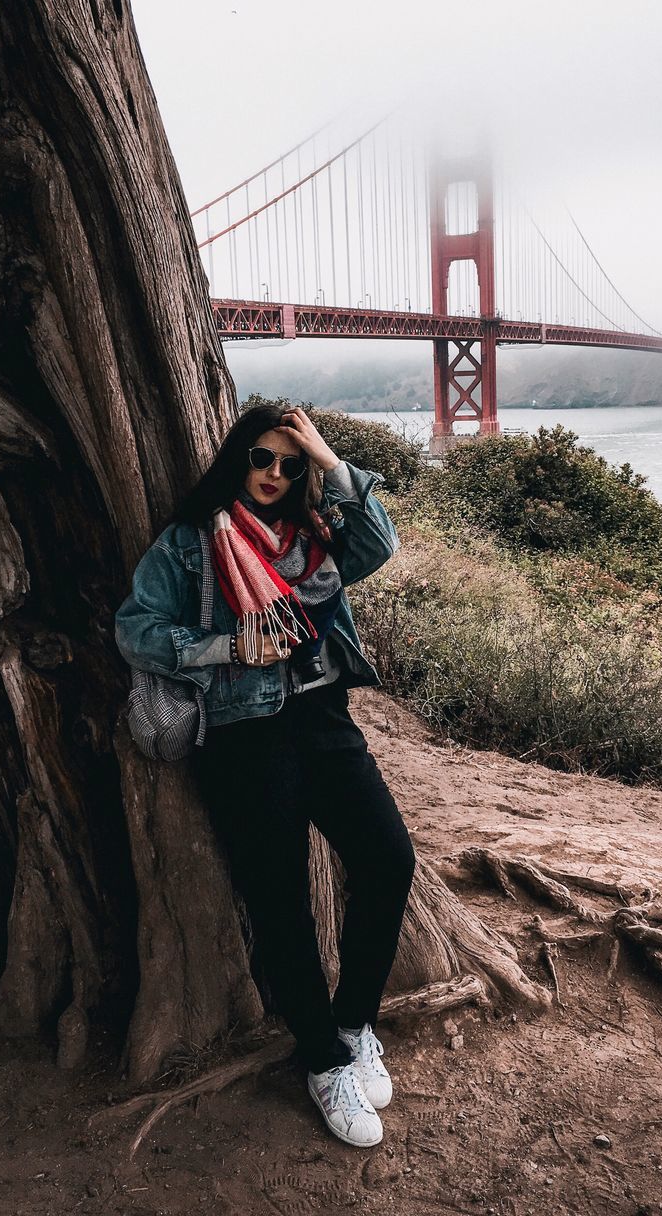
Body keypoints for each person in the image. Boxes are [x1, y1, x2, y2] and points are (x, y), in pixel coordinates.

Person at [115, 404, 416, 1148]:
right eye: (262, 458)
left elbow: (380, 541)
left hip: (323, 721)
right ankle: (322, 1061)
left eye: (291, 463)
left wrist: (326, 452)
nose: (276, 474)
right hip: (245, 735)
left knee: (388, 858)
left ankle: (353, 1025)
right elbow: (135, 628)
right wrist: (221, 649)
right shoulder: (191, 542)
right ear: (235, 460)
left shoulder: (317, 536)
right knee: (281, 901)